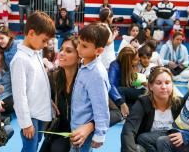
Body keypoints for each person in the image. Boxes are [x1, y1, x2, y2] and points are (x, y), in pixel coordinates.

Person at [10, 11, 55, 152]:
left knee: (35, 145)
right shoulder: (20, 59)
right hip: (31, 116)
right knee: (30, 149)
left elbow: (40, 83)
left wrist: (50, 102)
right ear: (31, 33)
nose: (46, 44)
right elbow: (19, 95)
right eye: (44, 40)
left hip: (41, 111)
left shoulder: (35, 53)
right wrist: (26, 123)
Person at [40, 36, 94, 152]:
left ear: (79, 56)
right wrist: (47, 101)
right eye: (61, 49)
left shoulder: (88, 79)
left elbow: (113, 112)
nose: (62, 53)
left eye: (68, 51)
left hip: (78, 133)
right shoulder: (53, 76)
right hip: (57, 128)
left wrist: (89, 126)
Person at [121, 66, 184, 152]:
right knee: (138, 147)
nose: (164, 87)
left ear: (172, 85)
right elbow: (128, 130)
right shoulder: (143, 103)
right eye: (158, 83)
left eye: (167, 82)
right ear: (150, 86)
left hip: (173, 146)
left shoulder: (179, 103)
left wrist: (185, 136)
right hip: (149, 146)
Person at [70, 23, 110, 152]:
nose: (78, 48)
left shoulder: (96, 73)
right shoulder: (85, 64)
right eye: (79, 43)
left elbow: (101, 106)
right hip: (76, 127)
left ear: (98, 51)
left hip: (84, 132)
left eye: (84, 46)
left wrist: (100, 135)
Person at [109, 46, 146, 118]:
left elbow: (139, 83)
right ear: (128, 61)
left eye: (138, 57)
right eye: (135, 59)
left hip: (129, 92)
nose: (139, 60)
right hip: (121, 96)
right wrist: (122, 103)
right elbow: (111, 85)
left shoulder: (135, 66)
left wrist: (146, 81)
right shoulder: (115, 65)